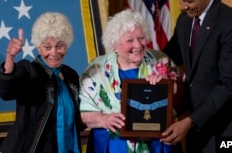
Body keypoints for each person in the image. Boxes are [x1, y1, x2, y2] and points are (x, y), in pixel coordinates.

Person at [79, 9, 185, 153]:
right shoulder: (95, 70)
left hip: (157, 144)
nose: (138, 45)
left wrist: (167, 87)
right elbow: (84, 112)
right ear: (114, 44)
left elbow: (183, 102)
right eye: (130, 40)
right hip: (112, 145)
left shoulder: (162, 61)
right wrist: (104, 119)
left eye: (141, 37)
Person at [161, 0, 232, 153]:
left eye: (188, 1)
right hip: (196, 129)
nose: (182, 6)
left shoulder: (230, 24)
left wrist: (190, 121)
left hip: (226, 128)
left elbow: (229, 84)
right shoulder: (185, 20)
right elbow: (169, 56)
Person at [0, 12, 85, 153]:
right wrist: (10, 57)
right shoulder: (28, 70)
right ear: (38, 47)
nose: (54, 52)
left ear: (67, 45)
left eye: (60, 46)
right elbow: (6, 92)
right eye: (47, 47)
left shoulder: (71, 75)